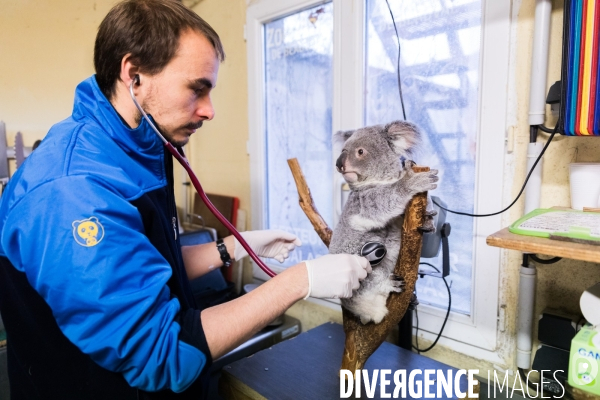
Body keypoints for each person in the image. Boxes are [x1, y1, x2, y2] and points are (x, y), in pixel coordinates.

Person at [0, 1, 371, 398]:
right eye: (197, 89)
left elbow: (142, 266)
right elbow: (161, 353)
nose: (209, 111)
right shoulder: (74, 190)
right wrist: (300, 281)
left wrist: (234, 248)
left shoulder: (137, 145)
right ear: (134, 74)